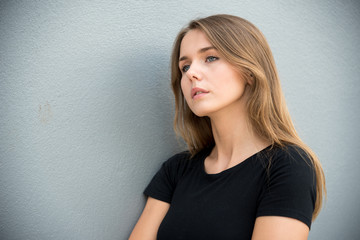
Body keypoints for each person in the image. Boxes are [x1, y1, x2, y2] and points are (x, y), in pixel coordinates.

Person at [129, 14, 326, 240]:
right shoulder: (176, 171)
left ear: (250, 72)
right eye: (184, 67)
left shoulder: (288, 167)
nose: (191, 73)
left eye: (210, 58)